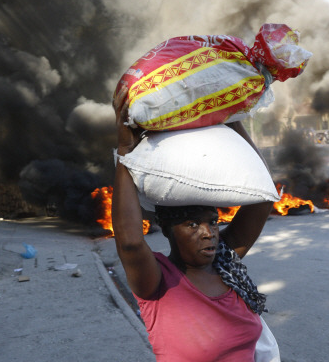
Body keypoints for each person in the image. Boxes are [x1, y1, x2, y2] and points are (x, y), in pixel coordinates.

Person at [111, 85, 276, 361]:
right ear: (166, 229)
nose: (208, 233)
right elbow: (129, 242)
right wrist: (126, 150)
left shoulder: (225, 261)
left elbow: (263, 194)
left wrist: (231, 119)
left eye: (212, 222)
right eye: (192, 225)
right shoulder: (157, 281)